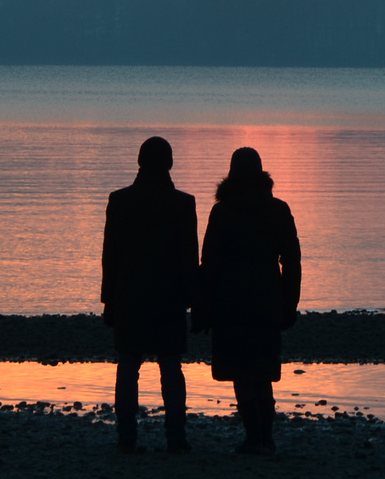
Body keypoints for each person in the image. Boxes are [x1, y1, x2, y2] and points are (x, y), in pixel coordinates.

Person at [196, 146, 301, 456]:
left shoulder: (222, 211)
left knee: (241, 372)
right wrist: (289, 303)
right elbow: (292, 262)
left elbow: (209, 263)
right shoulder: (278, 209)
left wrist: (203, 309)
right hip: (267, 299)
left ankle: (254, 437)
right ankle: (265, 437)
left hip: (230, 302)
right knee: (263, 371)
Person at [101, 135, 198, 454]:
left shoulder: (120, 200)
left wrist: (109, 300)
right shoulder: (183, 203)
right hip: (169, 297)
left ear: (140, 162)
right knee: (170, 365)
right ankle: (176, 436)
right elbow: (188, 258)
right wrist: (194, 301)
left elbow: (110, 256)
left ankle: (126, 436)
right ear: (169, 163)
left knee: (128, 364)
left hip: (129, 294)